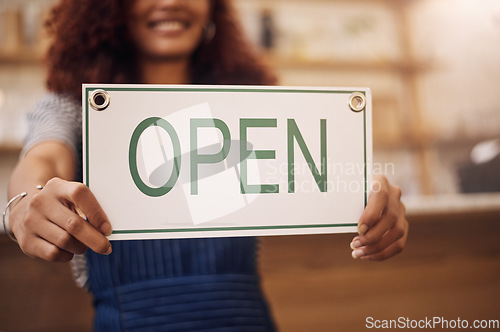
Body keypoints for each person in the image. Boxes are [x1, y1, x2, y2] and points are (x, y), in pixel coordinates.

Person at [6, 0, 409, 330]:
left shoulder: (250, 107)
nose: (172, 2)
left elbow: (319, 172)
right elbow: (43, 157)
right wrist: (25, 202)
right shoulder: (76, 110)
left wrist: (367, 193)